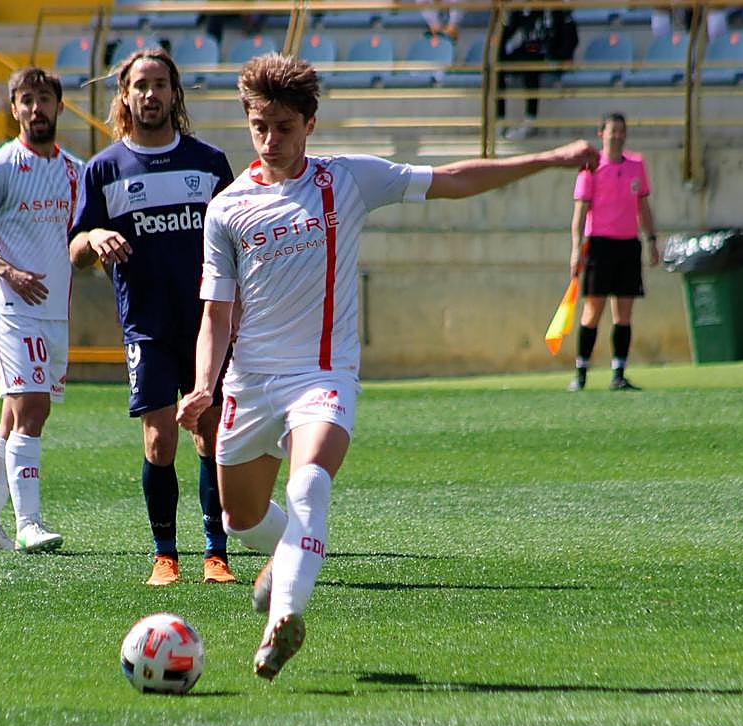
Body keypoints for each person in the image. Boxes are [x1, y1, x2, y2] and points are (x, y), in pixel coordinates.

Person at [177, 54, 598, 681]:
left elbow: (452, 177)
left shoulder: (347, 180)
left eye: (285, 127)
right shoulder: (227, 209)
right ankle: (292, 555)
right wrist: (204, 388)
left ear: (311, 124)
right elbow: (216, 314)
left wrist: (548, 160)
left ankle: (284, 618)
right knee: (239, 519)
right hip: (248, 383)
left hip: (322, 376)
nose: (271, 140)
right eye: (260, 126)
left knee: (310, 481)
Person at [68, 48, 237, 587]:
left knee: (210, 433)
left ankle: (216, 553)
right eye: (140, 85)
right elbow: (74, 248)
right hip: (146, 324)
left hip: (206, 321)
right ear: (125, 95)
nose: (150, 94)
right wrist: (93, 237)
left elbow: (239, 235)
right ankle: (165, 554)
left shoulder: (208, 163)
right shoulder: (104, 169)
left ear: (174, 93)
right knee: (159, 440)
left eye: (160, 84)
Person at [0, 66, 83, 553]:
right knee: (34, 407)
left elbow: (79, 234)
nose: (36, 108)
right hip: (12, 311)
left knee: (13, 419)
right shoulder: (2, 166)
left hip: (55, 315)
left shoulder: (75, 170)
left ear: (59, 107)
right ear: (14, 109)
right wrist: (7, 270)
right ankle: (30, 523)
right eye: (26, 99)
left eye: (44, 98)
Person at [568, 112, 659, 392]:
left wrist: (651, 240)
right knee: (592, 310)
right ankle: (581, 372)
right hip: (599, 244)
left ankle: (618, 374)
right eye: (612, 131)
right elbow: (580, 212)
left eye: (621, 131)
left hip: (627, 244)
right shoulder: (591, 167)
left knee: (623, 314)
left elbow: (642, 206)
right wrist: (576, 250)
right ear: (601, 134)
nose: (617, 135)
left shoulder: (636, 164)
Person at [497, 8, 576, 140]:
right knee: (498, 67)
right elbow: (507, 34)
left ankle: (530, 120)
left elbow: (571, 37)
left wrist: (561, 58)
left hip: (548, 56)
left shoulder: (557, 9)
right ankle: (500, 121)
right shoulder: (520, 9)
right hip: (528, 52)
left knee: (530, 66)